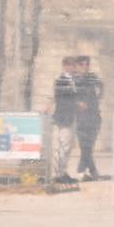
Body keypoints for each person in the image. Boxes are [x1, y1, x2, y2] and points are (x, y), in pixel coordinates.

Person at [49, 56, 78, 184]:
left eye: (74, 65)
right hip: (63, 117)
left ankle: (62, 172)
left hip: (70, 117)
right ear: (65, 66)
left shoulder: (74, 80)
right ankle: (57, 174)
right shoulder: (61, 80)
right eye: (71, 65)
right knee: (61, 146)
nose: (73, 68)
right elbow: (62, 99)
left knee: (67, 146)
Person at [74, 55, 103, 181]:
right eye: (82, 64)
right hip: (81, 117)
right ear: (76, 66)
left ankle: (91, 170)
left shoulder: (92, 77)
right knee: (85, 145)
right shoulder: (72, 80)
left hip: (94, 115)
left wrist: (98, 98)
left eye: (87, 64)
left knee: (89, 145)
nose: (85, 67)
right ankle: (83, 170)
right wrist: (77, 103)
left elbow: (102, 86)